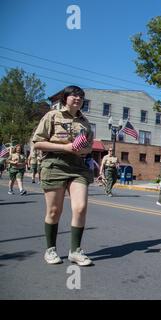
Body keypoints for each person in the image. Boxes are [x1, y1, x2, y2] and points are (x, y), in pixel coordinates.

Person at [33, 85, 94, 266]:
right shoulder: (52, 116)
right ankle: (50, 249)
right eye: (74, 96)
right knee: (54, 211)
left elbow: (90, 147)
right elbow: (37, 143)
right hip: (55, 164)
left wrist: (84, 149)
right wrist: (64, 147)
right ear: (65, 98)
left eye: (81, 97)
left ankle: (75, 251)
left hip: (78, 167)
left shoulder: (85, 122)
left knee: (80, 207)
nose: (78, 99)